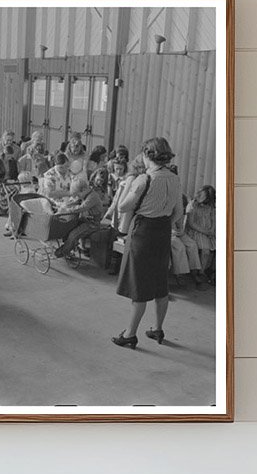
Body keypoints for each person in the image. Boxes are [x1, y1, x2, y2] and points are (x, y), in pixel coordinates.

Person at [112, 137, 185, 348]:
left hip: (143, 232)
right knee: (160, 283)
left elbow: (123, 207)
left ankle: (130, 333)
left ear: (146, 155)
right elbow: (178, 212)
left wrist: (126, 185)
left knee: (139, 286)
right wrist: (164, 224)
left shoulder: (144, 180)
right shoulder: (174, 178)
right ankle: (157, 329)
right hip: (162, 231)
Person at [53, 177, 112, 261]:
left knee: (73, 235)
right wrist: (64, 205)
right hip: (85, 220)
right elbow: (76, 202)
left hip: (92, 224)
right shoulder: (86, 194)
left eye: (77, 194)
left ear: (84, 189)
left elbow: (82, 208)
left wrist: (67, 210)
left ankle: (62, 251)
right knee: (67, 229)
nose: (77, 196)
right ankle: (69, 247)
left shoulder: (93, 197)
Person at [186, 185, 216, 278]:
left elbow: (213, 219)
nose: (198, 195)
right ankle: (201, 272)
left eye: (201, 195)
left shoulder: (211, 207)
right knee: (206, 251)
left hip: (209, 232)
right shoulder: (192, 205)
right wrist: (206, 232)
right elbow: (191, 223)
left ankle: (212, 271)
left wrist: (212, 230)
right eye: (198, 193)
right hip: (196, 231)